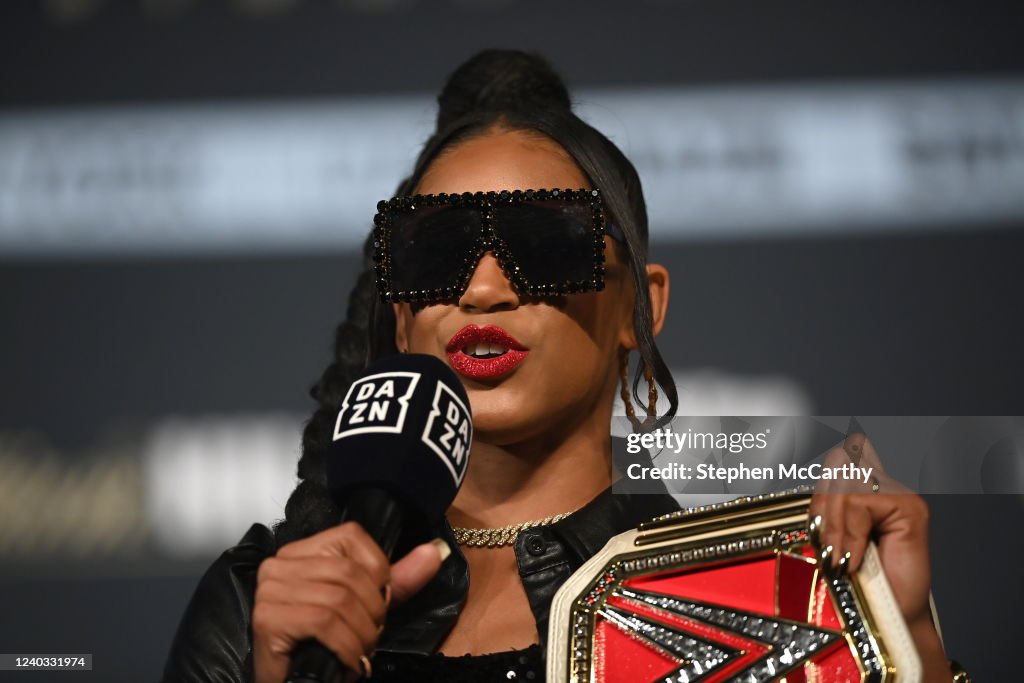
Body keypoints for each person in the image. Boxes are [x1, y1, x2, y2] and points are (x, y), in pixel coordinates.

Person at [163, 50, 955, 682]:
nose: (481, 288)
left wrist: (906, 641)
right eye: (436, 251)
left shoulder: (764, 589)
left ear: (641, 307)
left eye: (542, 243)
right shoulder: (262, 602)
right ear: (401, 308)